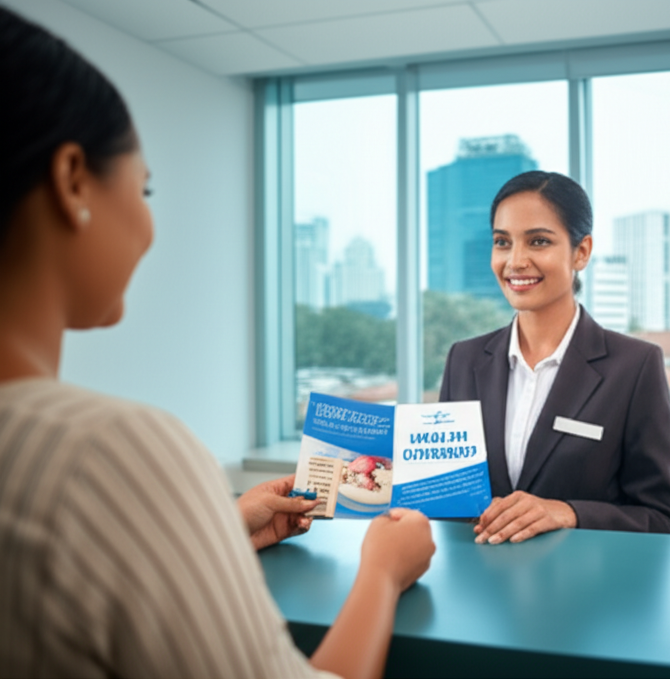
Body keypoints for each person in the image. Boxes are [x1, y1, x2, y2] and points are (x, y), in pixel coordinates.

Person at [0, 8, 434, 679]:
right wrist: (382, 572)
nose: (148, 223)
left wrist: (217, 529)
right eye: (143, 187)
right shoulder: (109, 451)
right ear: (73, 180)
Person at [438, 171, 670, 545]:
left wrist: (568, 512)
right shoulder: (464, 359)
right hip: (480, 589)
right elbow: (443, 499)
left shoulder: (635, 367)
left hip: (581, 594)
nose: (516, 261)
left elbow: (664, 520)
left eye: (538, 241)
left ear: (581, 252)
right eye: (502, 242)